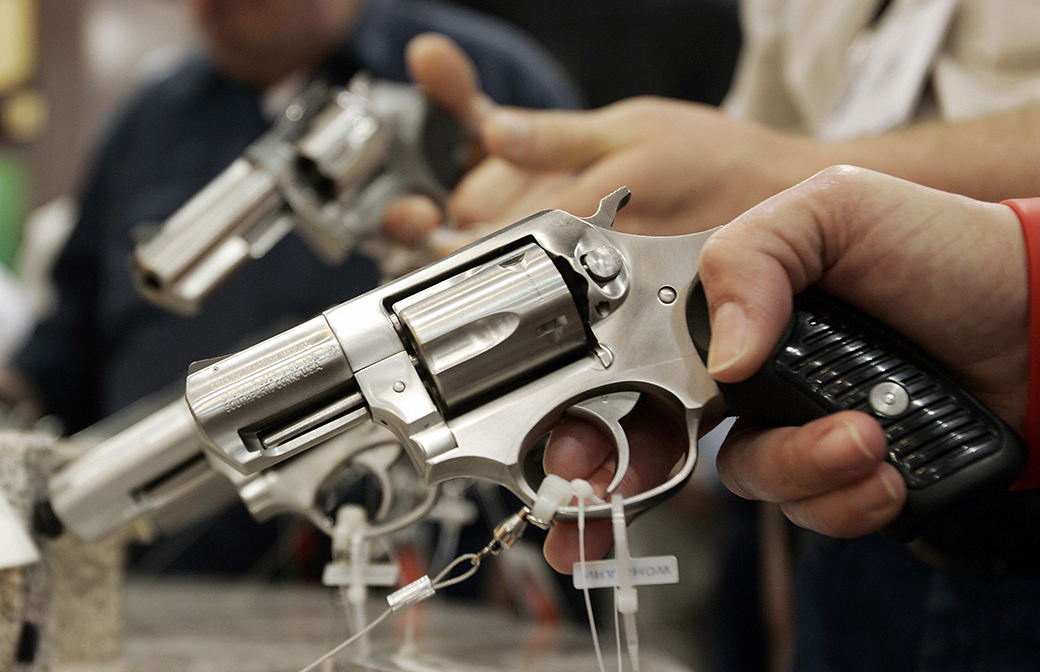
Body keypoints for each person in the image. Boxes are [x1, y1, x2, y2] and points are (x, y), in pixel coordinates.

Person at [4, 0, 582, 577]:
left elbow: (584, 282)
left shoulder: (496, 76)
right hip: (174, 568)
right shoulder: (150, 119)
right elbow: (70, 338)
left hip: (451, 567)